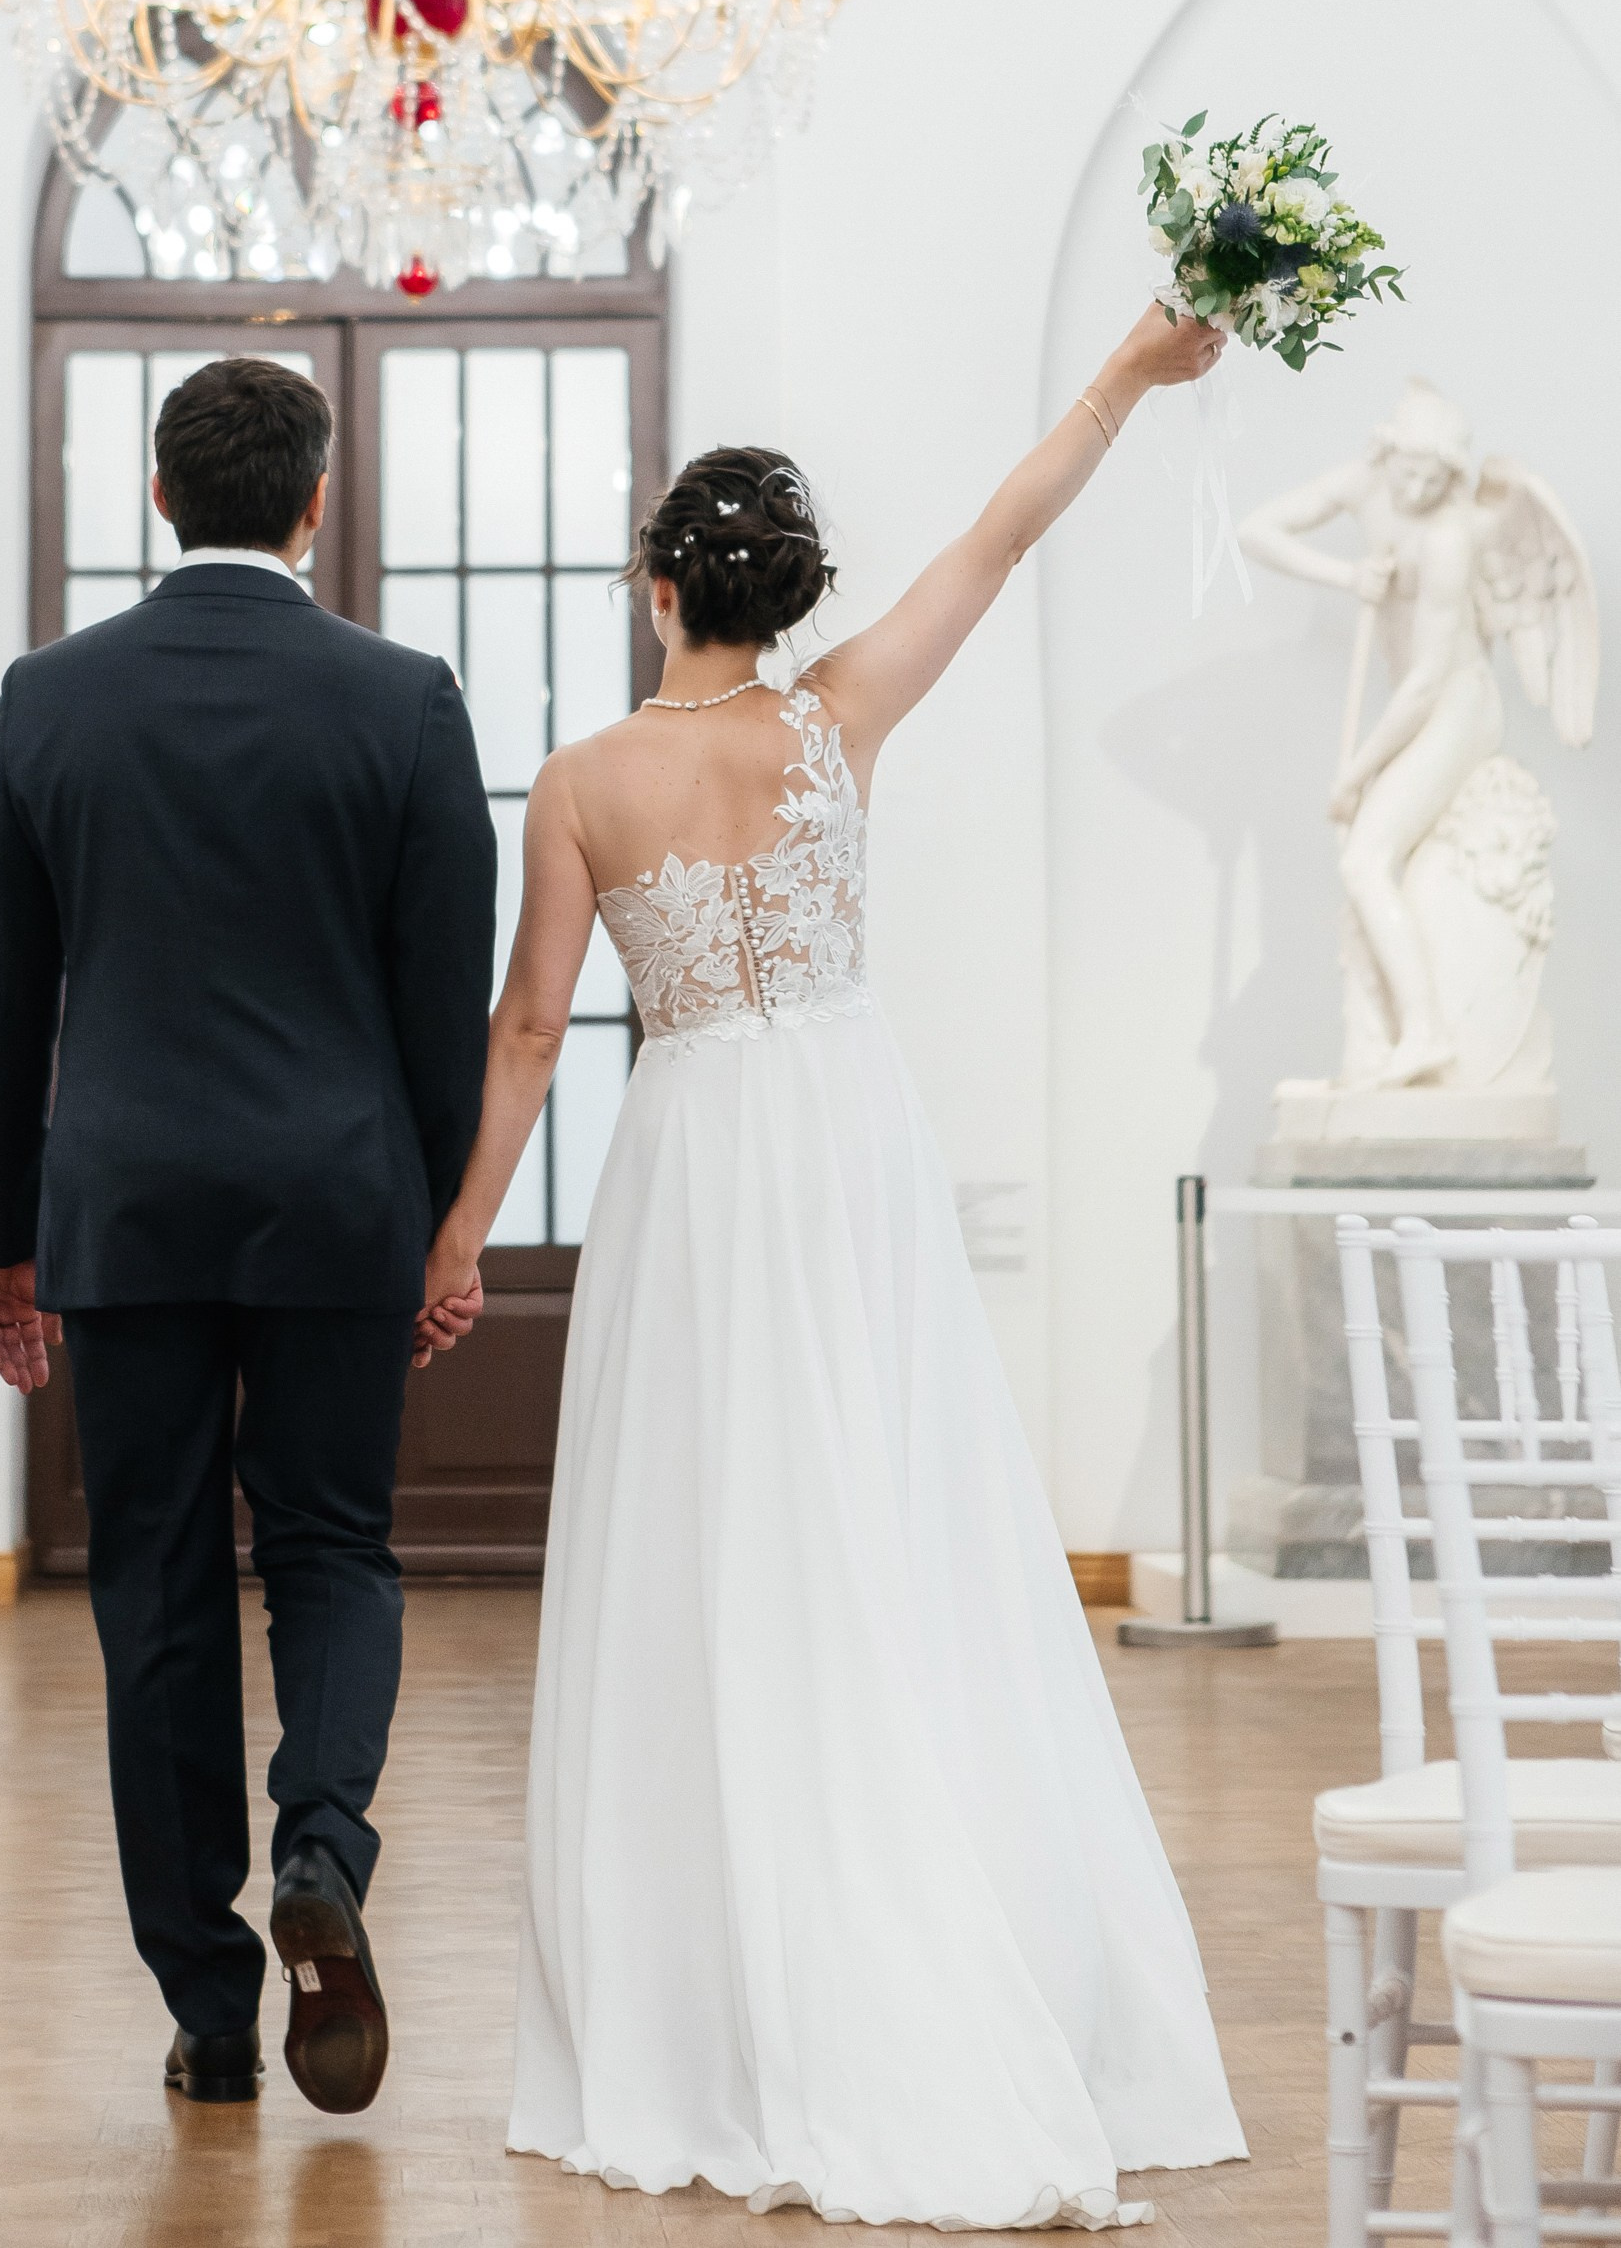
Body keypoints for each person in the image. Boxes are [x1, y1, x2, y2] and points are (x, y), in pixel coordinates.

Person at [416, 303, 1249, 2228]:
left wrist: (458, 1236)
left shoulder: (583, 781)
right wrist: (1126, 369)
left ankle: (727, 1963)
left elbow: (528, 1032)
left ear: (652, 591)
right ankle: (938, 1896)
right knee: (888, 1511)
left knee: (716, 1537)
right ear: (779, 595)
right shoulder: (838, 711)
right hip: (848, 1139)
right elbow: (1002, 535)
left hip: (701, 1158)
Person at [0, 354, 497, 2119]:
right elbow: (444, 1004)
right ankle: (321, 1847)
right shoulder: (403, 700)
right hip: (339, 1197)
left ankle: (205, 2004)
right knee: (333, 1551)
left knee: (159, 1592)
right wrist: (433, 1219)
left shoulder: (50, 700)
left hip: (121, 1208)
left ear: (160, 501)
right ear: (315, 502)